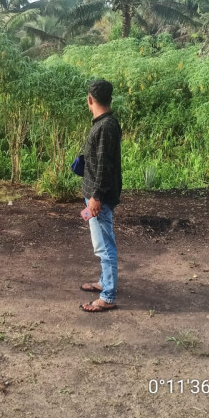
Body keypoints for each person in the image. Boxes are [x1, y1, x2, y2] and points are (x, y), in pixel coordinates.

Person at [79, 79, 122, 312]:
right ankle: (105, 283)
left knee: (104, 246)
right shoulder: (105, 124)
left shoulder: (105, 126)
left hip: (100, 197)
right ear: (110, 98)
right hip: (98, 194)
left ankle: (108, 295)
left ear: (90, 100)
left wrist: (96, 197)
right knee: (102, 244)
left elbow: (105, 166)